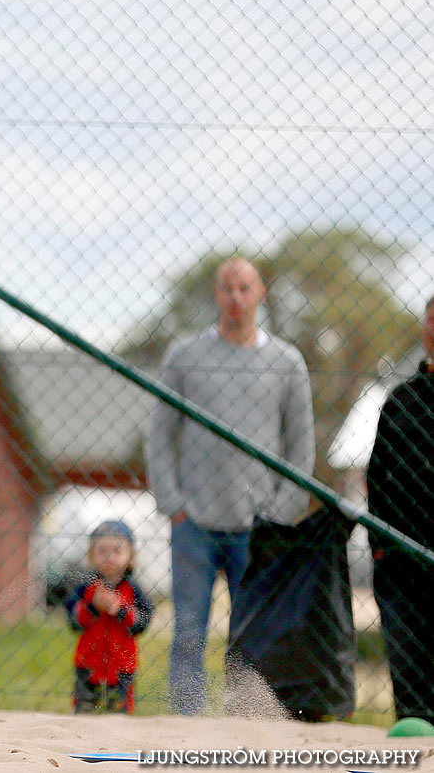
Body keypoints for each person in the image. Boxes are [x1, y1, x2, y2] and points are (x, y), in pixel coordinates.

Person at [145, 257, 313, 715]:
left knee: (252, 637)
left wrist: (280, 513)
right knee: (188, 634)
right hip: (193, 521)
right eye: (226, 288)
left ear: (261, 293)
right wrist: (172, 502)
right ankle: (188, 726)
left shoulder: (286, 363)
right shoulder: (185, 355)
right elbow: (159, 434)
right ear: (216, 295)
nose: (235, 297)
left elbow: (302, 447)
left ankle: (242, 725)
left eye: (244, 288)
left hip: (257, 527)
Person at [367, 294, 434, 722]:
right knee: (410, 672)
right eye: (431, 319)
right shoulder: (402, 400)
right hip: (401, 557)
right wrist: (380, 543)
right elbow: (378, 473)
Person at [63, 520, 153, 714]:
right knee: (84, 711)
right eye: (102, 551)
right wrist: (93, 607)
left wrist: (120, 610)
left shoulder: (134, 590)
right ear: (91, 555)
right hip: (88, 664)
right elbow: (74, 621)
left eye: (117, 551)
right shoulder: (85, 587)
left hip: (122, 667)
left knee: (118, 715)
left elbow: (141, 623)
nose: (109, 557)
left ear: (130, 556)